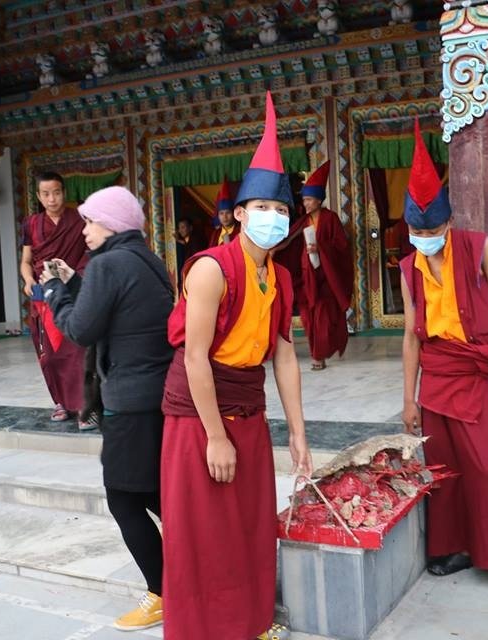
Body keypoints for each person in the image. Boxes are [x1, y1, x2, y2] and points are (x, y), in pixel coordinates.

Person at [160, 91, 312, 640]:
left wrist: (298, 432)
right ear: (240, 213)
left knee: (249, 525)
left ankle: (250, 623)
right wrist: (215, 436)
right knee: (204, 532)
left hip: (249, 408)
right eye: (263, 208)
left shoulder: (282, 277)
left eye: (282, 210)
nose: (273, 217)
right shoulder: (211, 269)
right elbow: (194, 356)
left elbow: (285, 354)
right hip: (199, 417)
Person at [399, 120, 488, 598]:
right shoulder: (409, 267)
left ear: (449, 223)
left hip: (479, 373)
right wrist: (408, 399)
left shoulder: (479, 247)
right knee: (445, 470)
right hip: (437, 378)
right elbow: (411, 335)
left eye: (432, 229)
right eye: (417, 230)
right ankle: (456, 548)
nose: (424, 236)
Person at [40, 186, 174, 630]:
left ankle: (163, 592)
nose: (84, 230)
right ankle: (202, 562)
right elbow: (118, 311)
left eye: (91, 221)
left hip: (129, 401)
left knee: (123, 499)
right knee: (154, 493)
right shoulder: (146, 259)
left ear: (112, 223)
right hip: (158, 395)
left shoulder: (107, 264)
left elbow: (81, 329)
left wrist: (54, 291)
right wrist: (75, 283)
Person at [20, 172, 89, 428]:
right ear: (39, 196)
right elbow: (26, 261)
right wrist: (28, 280)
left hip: (73, 293)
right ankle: (60, 401)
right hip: (44, 297)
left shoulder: (79, 220)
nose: (52, 199)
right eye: (46, 194)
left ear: (64, 193)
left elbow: (89, 253)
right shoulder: (31, 224)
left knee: (76, 352)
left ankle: (84, 404)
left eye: (57, 193)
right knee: (49, 355)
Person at [276, 161, 354, 370]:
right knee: (308, 318)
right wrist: (272, 252)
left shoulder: (330, 219)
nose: (306, 203)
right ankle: (316, 353)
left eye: (309, 199)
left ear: (319, 200)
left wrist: (321, 248)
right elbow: (289, 242)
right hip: (306, 276)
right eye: (304, 200)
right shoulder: (303, 221)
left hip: (326, 278)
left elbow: (341, 246)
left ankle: (318, 356)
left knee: (321, 318)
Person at [209, 177, 241, 247]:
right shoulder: (216, 233)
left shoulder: (240, 232)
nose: (224, 217)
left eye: (228, 213)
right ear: (218, 216)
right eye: (221, 213)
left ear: (234, 214)